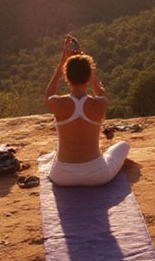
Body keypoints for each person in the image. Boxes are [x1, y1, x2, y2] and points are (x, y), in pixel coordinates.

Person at [44, 35, 129, 186]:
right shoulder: (100, 103)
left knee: (57, 148)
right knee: (124, 145)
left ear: (67, 77)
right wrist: (93, 75)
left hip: (62, 176)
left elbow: (48, 95)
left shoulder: (57, 103)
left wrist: (61, 65)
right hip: (97, 175)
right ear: (88, 77)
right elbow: (101, 93)